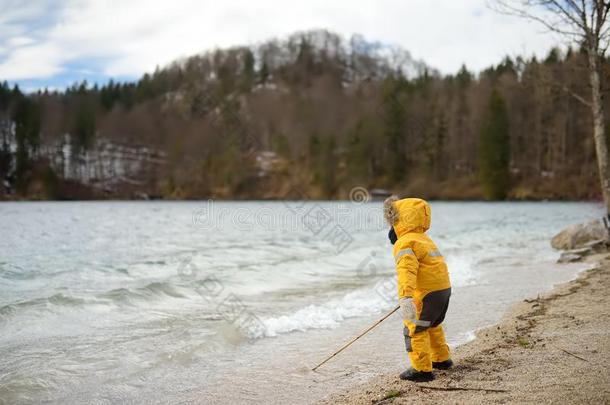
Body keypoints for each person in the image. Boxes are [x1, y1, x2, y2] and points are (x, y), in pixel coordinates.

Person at [384, 196, 453, 382]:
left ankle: (422, 369)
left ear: (399, 221)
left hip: (427, 294)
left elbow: (406, 271)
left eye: (392, 223)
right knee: (433, 324)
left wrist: (405, 297)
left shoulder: (405, 243)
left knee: (416, 328)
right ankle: (441, 359)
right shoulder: (425, 239)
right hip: (443, 291)